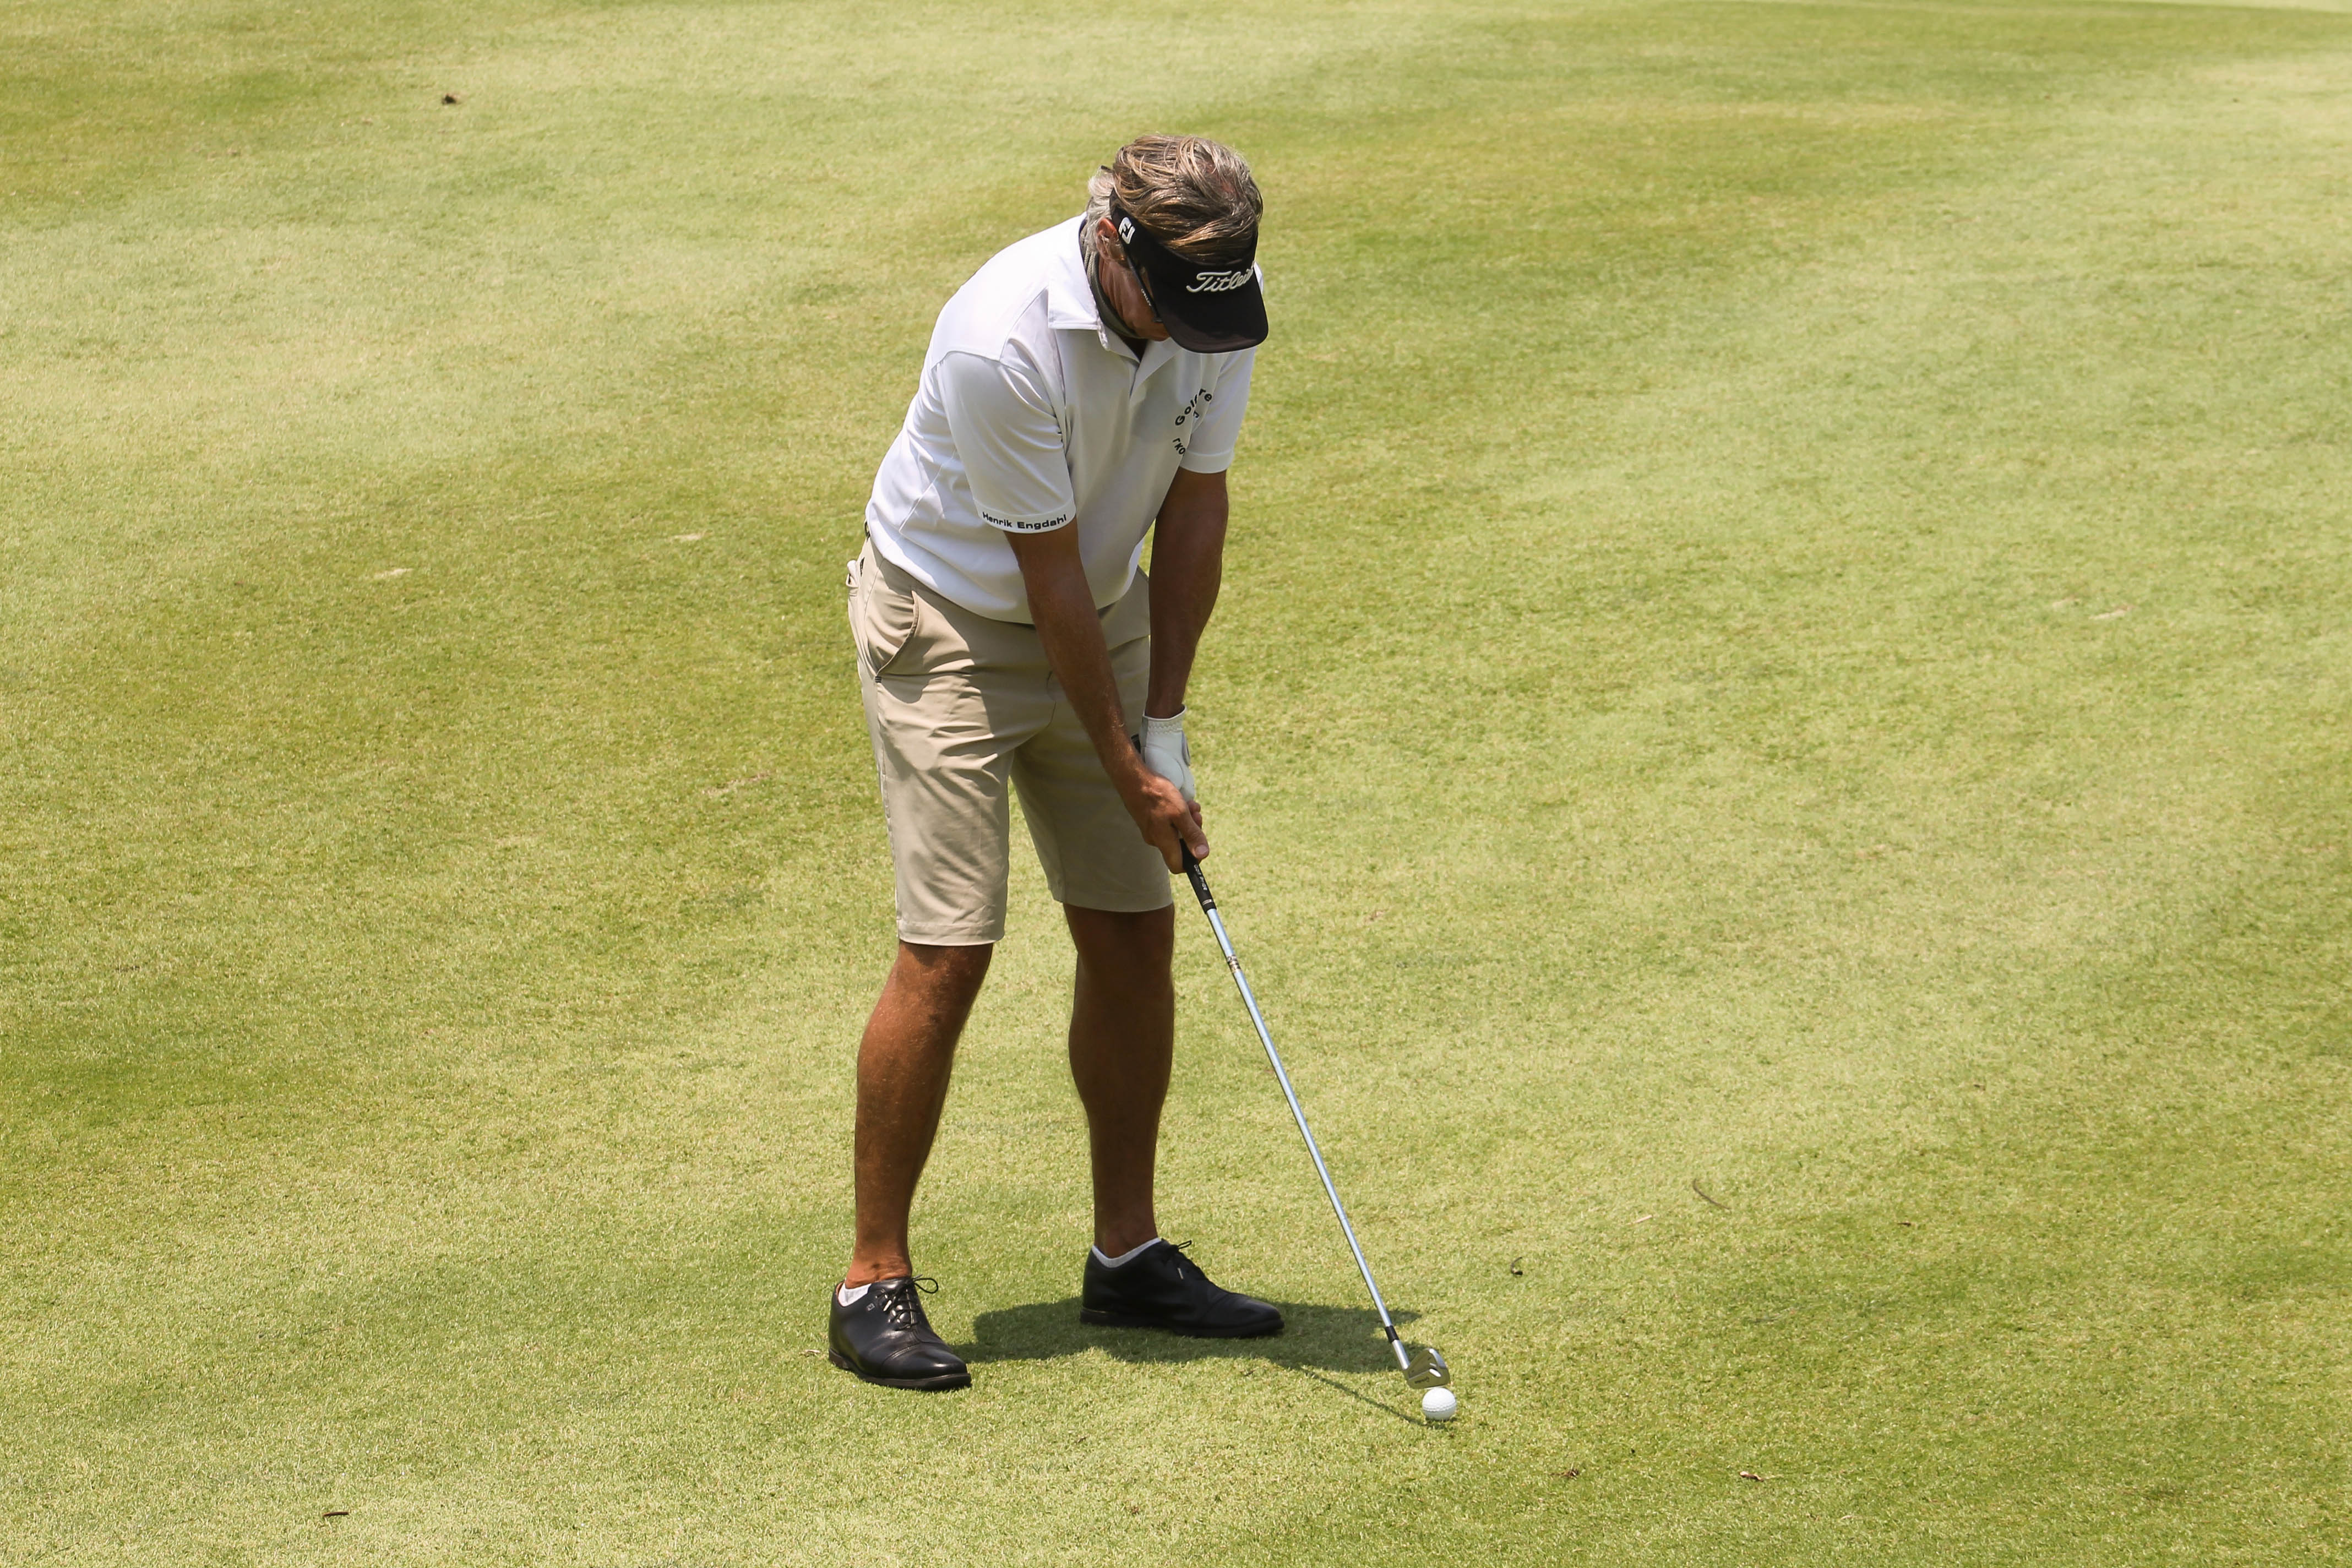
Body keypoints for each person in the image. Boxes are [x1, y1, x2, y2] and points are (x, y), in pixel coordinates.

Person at [830, 135, 1280, 1390]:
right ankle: (871, 1277)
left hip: (1100, 604)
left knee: (1135, 930)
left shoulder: (1217, 301)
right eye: (1173, 302)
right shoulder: (1002, 341)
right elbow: (1047, 581)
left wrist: (1165, 726)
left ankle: (1127, 1254)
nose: (1196, 330)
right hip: (949, 622)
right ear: (1115, 245)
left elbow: (1196, 508)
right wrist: (1126, 766)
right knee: (950, 946)